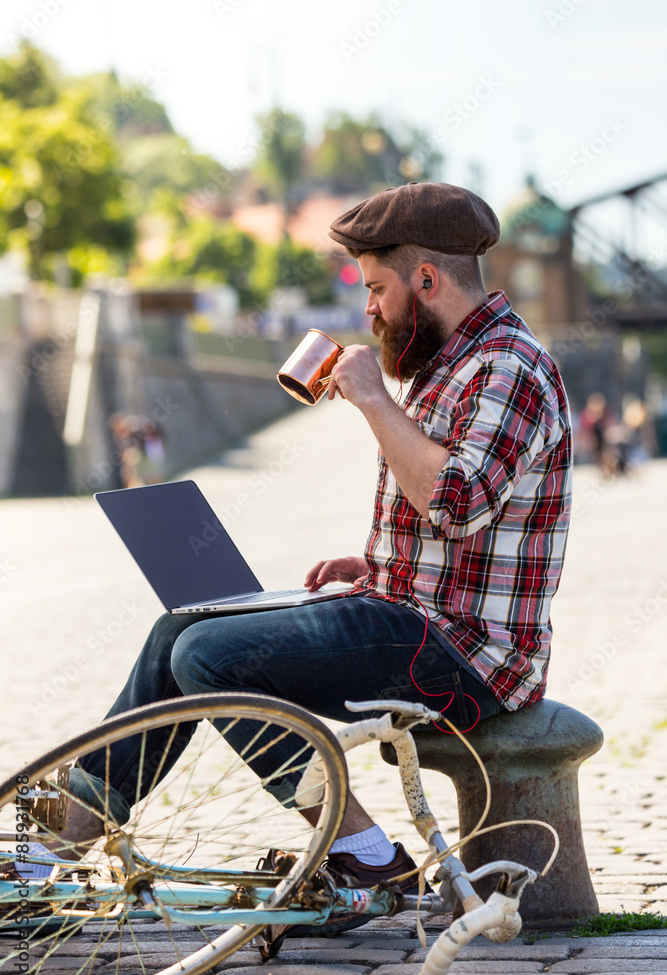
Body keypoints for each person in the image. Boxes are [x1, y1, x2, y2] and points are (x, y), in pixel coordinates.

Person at [53, 183, 573, 923]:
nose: (368, 311)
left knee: (211, 657)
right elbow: (463, 519)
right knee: (183, 626)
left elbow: (454, 503)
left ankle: (365, 855)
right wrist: (375, 564)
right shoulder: (453, 363)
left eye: (376, 289)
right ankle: (63, 839)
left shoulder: (506, 366)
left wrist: (370, 398)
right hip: (416, 615)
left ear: (426, 280)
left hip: (469, 656)